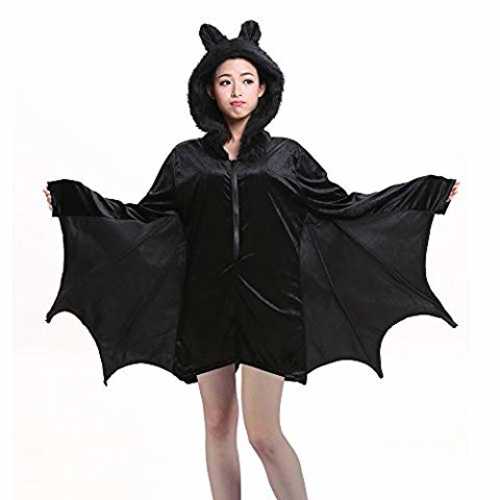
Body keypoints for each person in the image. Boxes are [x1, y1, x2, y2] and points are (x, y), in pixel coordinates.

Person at [43, 20, 459, 500]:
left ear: (263, 89)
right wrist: (71, 200)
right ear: (209, 91)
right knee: (217, 424)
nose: (237, 91)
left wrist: (425, 194)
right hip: (206, 306)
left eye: (247, 80)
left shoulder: (287, 157)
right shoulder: (185, 160)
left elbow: (344, 205)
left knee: (263, 432)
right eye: (225, 81)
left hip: (272, 305)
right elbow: (142, 216)